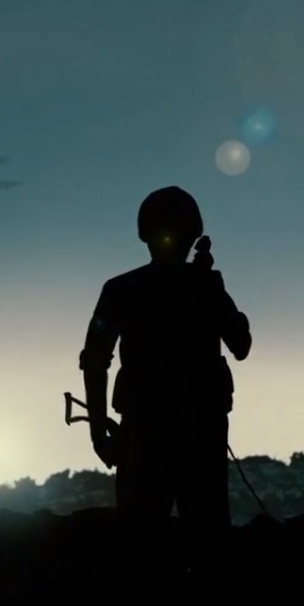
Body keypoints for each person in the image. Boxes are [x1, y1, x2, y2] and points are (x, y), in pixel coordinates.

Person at [78, 186, 252, 573]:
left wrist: (98, 433)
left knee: (141, 544)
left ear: (145, 233)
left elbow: (95, 362)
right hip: (199, 432)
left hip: (145, 432)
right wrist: (212, 289)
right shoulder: (204, 286)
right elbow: (241, 344)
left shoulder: (120, 290)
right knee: (207, 542)